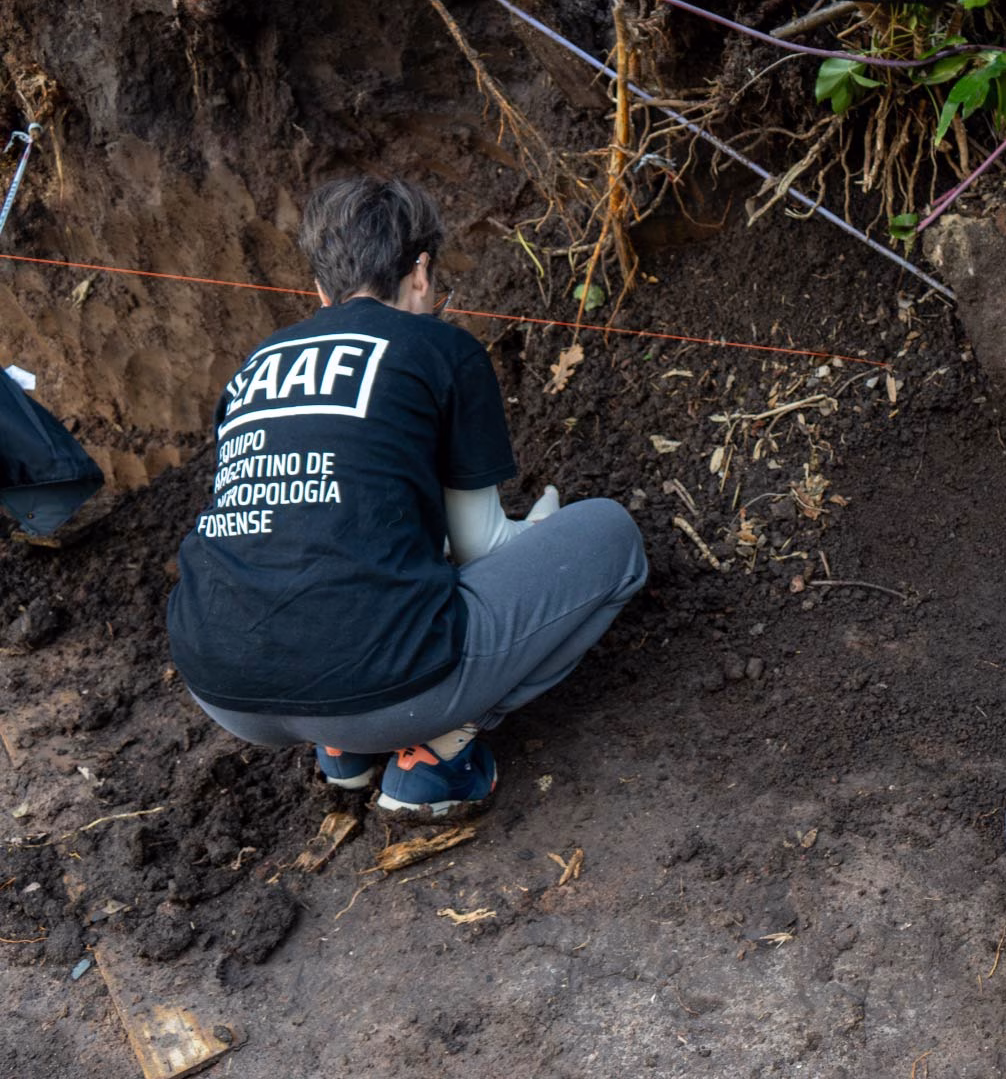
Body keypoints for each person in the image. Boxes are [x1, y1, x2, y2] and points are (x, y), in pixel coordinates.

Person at [167, 176, 647, 818]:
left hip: (222, 684)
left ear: (320, 289)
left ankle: (343, 752)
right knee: (610, 536)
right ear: (420, 272)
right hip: (384, 692)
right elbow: (482, 544)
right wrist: (545, 528)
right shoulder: (439, 347)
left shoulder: (256, 362)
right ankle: (439, 754)